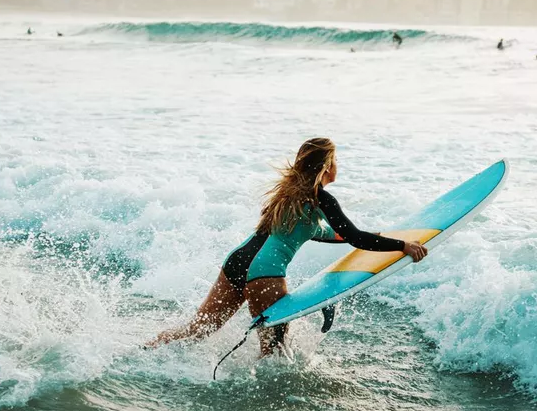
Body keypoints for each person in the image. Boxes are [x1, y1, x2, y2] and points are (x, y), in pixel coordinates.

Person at [146, 138, 427, 355]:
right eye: (337, 160)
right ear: (327, 166)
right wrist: (402, 246)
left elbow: (323, 233)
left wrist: (380, 235)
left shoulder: (285, 194)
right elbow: (354, 237)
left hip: (237, 261)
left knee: (198, 329)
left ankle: (146, 350)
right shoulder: (321, 198)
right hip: (264, 272)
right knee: (274, 353)